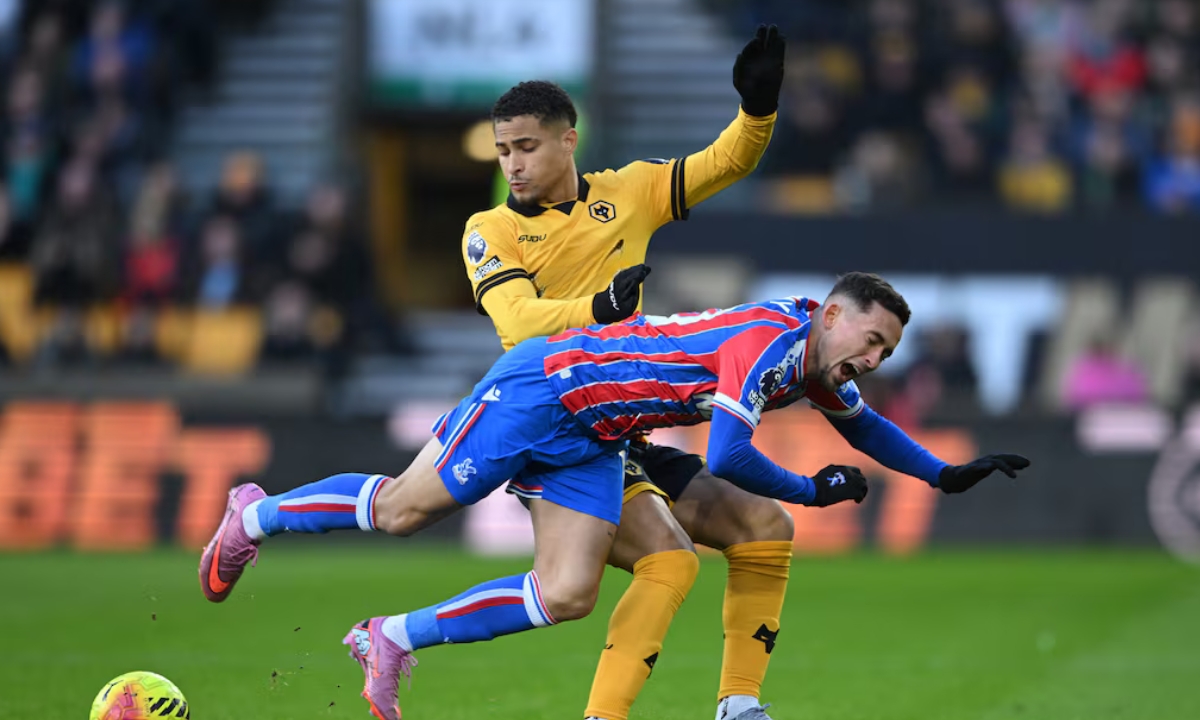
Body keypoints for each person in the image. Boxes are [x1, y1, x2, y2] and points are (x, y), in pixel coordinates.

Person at [198, 272, 1031, 720]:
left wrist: (940, 475)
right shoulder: (772, 345)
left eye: (886, 350)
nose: (875, 359)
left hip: (593, 436)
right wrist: (811, 491)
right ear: (835, 314)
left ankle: (390, 637)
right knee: (406, 512)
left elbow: (866, 428)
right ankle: (255, 514)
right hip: (544, 391)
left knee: (567, 594)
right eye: (872, 338)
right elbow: (731, 453)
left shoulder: (815, 358)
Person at [464, 26, 799, 720]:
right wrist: (602, 305)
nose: (513, 164)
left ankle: (739, 705)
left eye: (525, 146)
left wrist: (758, 109)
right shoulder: (488, 228)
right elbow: (517, 323)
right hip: (554, 425)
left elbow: (726, 163)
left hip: (624, 428)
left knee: (765, 526)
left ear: (568, 139)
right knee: (665, 563)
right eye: (503, 150)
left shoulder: (631, 192)